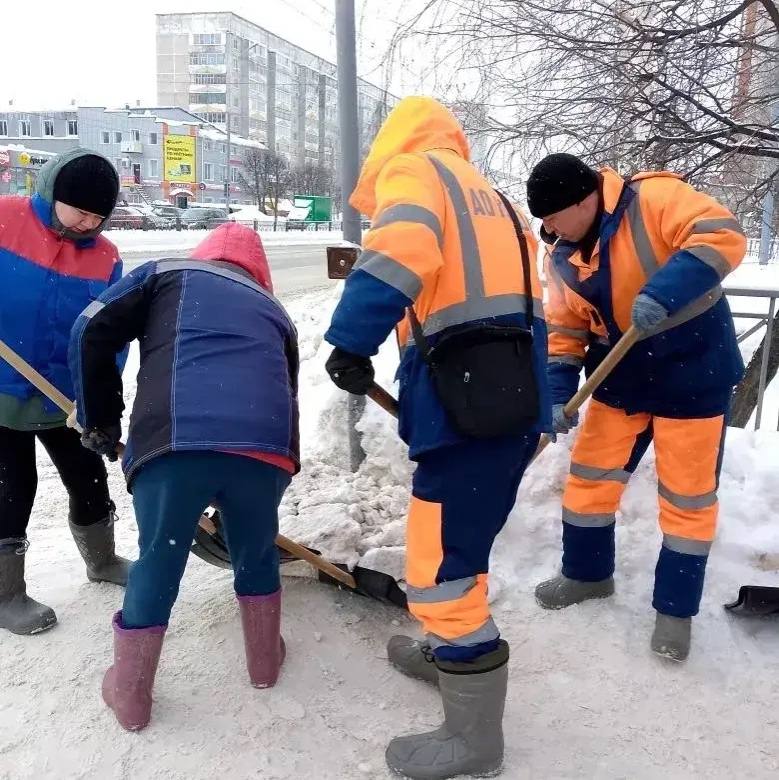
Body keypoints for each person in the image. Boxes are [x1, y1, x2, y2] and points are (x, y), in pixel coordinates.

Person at [324, 96, 551, 780]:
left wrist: (348, 339)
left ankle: (473, 738)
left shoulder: (415, 171)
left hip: (466, 405)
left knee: (439, 566)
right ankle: (447, 653)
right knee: (462, 544)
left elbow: (400, 250)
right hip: (504, 403)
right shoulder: (493, 198)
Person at [68, 223, 299, 732]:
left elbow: (91, 328)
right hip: (264, 450)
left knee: (159, 556)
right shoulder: (275, 310)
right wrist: (264, 482)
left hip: (177, 440)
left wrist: (101, 418)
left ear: (206, 251)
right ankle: (264, 663)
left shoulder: (166, 273)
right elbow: (288, 396)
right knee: (255, 552)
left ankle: (130, 694)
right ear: (258, 270)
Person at [527, 153, 746, 661]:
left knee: (687, 498)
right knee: (589, 478)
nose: (550, 229)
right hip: (619, 378)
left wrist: (666, 291)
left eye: (555, 217)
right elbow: (563, 330)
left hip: (693, 372)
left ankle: (674, 613)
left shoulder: (655, 199)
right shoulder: (560, 255)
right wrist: (559, 394)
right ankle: (586, 576)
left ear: (584, 201)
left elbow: (722, 234)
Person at [0, 148, 130, 636]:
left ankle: (103, 560)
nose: (88, 223)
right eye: (80, 210)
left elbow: (108, 334)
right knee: (13, 487)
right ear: (54, 194)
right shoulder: (5, 219)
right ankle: (6, 593)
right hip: (2, 387)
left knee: (88, 476)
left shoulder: (105, 257)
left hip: (63, 395)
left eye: (99, 215)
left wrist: (99, 398)